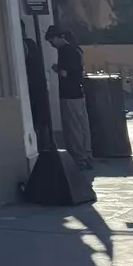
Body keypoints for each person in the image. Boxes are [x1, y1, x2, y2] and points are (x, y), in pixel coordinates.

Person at [44, 27, 93, 169]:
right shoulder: (76, 49)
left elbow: (65, 73)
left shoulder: (65, 51)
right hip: (78, 92)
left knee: (72, 128)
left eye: (51, 40)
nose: (51, 44)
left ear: (58, 37)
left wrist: (56, 69)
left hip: (68, 93)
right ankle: (87, 154)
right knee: (83, 126)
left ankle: (79, 158)